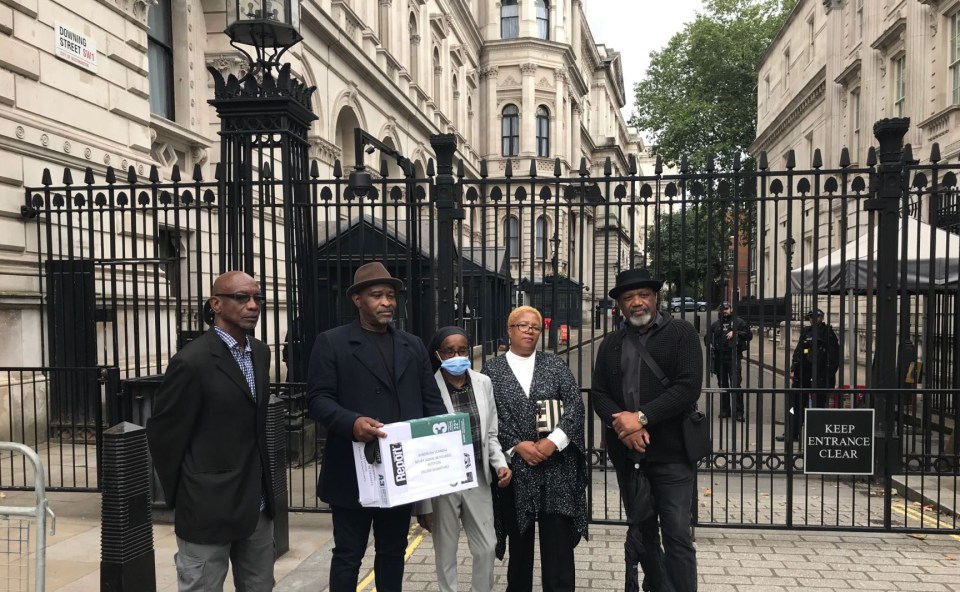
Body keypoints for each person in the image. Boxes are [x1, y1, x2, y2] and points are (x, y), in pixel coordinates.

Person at [306, 261, 447, 592]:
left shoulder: (412, 344)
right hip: (353, 472)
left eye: (391, 296)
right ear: (357, 299)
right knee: (348, 555)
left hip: (401, 472)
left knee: (392, 552)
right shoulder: (332, 342)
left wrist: (441, 443)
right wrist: (351, 422)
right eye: (377, 295)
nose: (387, 302)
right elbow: (318, 399)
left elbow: (432, 402)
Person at [147, 271, 275, 592]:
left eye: (257, 298)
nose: (252, 305)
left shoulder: (260, 353)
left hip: (257, 504)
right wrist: (188, 493)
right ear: (216, 304)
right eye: (241, 297)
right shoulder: (191, 362)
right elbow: (165, 436)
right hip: (207, 508)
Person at [591, 268, 704, 592]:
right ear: (620, 306)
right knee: (643, 534)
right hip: (629, 457)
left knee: (677, 536)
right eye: (628, 298)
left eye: (643, 295)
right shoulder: (611, 343)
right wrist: (624, 426)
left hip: (672, 455)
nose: (636, 302)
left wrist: (640, 418)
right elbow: (600, 393)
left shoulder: (681, 333)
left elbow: (687, 388)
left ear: (655, 298)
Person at [482, 306, 588, 592]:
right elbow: (488, 418)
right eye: (522, 325)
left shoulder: (555, 365)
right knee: (520, 550)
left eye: (535, 327)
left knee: (559, 550)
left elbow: (575, 408)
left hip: (556, 468)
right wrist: (517, 446)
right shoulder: (491, 371)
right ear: (510, 330)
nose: (529, 331)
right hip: (516, 470)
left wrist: (553, 442)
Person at [415, 326, 513, 592]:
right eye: (449, 351)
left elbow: (490, 433)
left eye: (462, 350)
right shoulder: (428, 387)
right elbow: (420, 448)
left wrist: (500, 465)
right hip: (442, 483)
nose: (457, 355)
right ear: (438, 354)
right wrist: (423, 505)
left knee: (487, 546)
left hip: (477, 477)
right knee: (445, 551)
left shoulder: (483, 383)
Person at [778, 308, 840, 442]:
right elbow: (798, 351)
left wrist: (827, 376)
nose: (813, 319)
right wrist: (793, 368)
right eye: (811, 317)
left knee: (818, 406)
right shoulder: (806, 332)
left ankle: (816, 435)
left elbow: (834, 359)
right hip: (803, 374)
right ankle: (792, 432)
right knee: (795, 405)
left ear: (822, 318)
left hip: (820, 376)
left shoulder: (828, 334)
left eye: (816, 317)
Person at [704, 301, 752, 421]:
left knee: (735, 385)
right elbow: (707, 338)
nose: (724, 311)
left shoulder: (739, 322)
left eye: (726, 308)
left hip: (733, 357)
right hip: (720, 358)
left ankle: (739, 412)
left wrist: (736, 333)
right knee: (723, 385)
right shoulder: (716, 324)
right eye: (722, 309)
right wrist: (710, 344)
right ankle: (725, 410)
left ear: (731, 309)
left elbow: (749, 335)